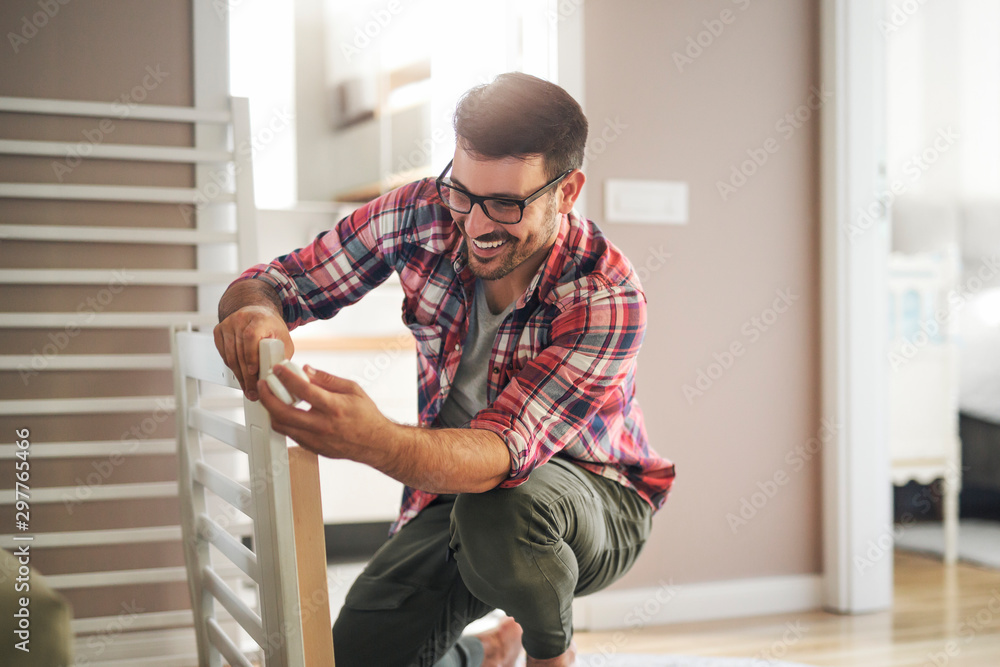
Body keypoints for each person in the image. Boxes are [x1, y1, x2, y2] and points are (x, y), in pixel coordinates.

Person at [214, 72, 676, 667]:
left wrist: (373, 441)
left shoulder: (605, 296)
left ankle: (549, 650)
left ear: (566, 192)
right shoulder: (423, 211)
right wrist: (255, 310)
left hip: (598, 496)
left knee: (503, 513)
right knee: (356, 659)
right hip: (455, 492)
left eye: (506, 204)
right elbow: (283, 280)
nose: (476, 226)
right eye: (464, 192)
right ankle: (486, 651)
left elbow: (504, 451)